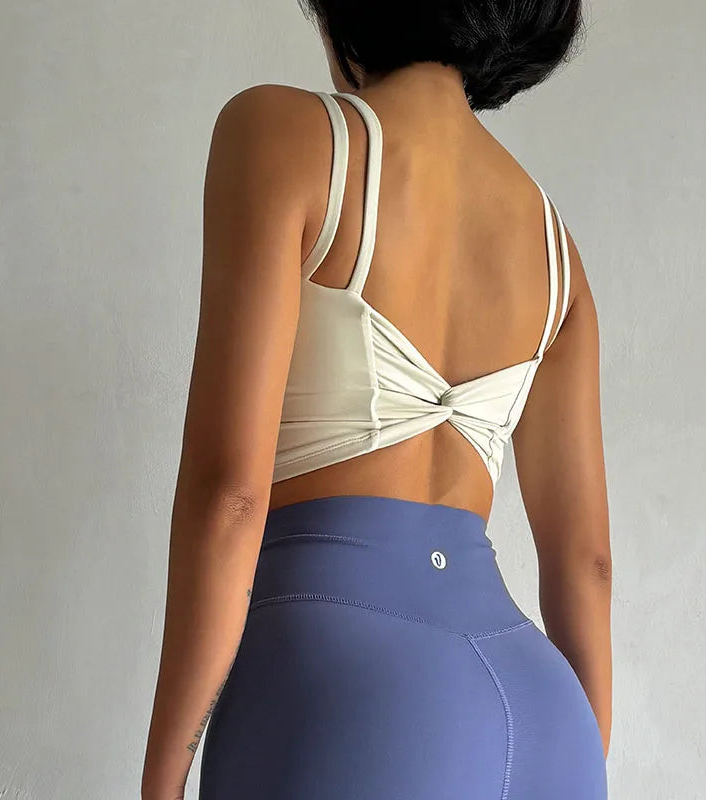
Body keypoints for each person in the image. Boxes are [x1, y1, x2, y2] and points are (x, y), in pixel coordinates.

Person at [141, 2, 612, 798]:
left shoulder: (284, 135)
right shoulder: (556, 249)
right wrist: (582, 763)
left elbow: (230, 499)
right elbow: (587, 566)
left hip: (351, 695)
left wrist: (162, 779)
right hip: (545, 711)